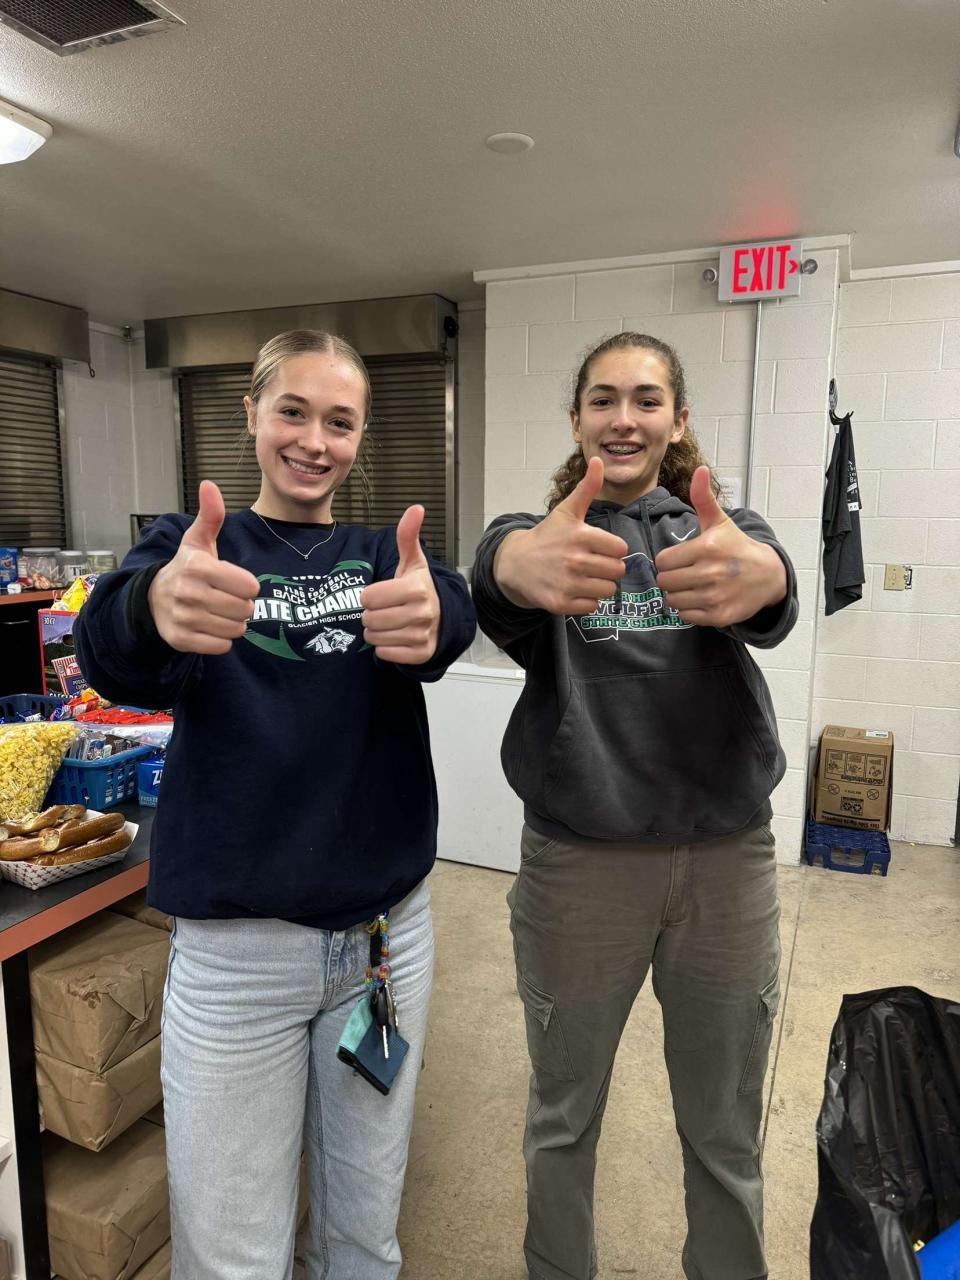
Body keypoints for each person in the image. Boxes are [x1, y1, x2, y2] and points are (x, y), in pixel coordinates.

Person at [75, 328, 476, 1280]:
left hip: (383, 944)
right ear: (251, 414)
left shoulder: (382, 555)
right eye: (292, 411)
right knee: (233, 1253)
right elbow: (108, 645)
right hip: (236, 957)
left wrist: (441, 615)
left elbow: (445, 608)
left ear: (360, 437)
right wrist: (150, 606)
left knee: (364, 1234)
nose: (314, 441)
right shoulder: (192, 549)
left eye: (341, 422)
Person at [471, 331, 798, 1280]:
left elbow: (767, 584)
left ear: (677, 420)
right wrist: (511, 561)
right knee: (564, 1114)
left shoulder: (718, 531)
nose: (625, 419)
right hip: (580, 867)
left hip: (726, 864)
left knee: (723, 1121)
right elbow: (501, 570)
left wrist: (770, 575)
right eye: (604, 399)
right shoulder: (551, 542)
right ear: (576, 418)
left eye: (647, 400)